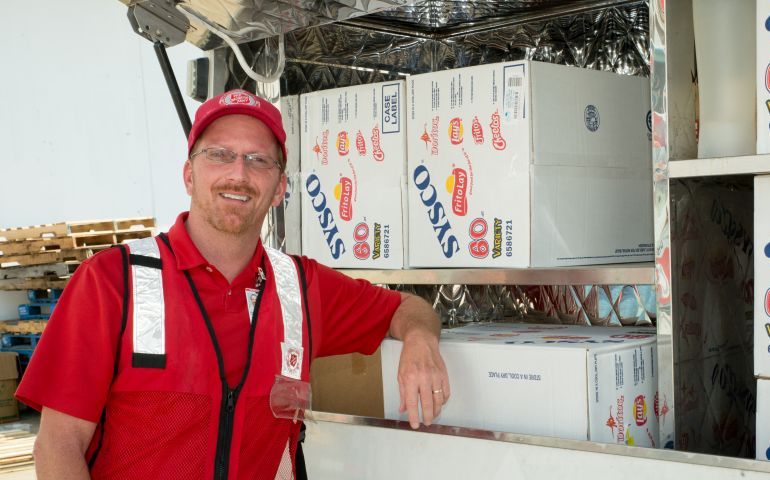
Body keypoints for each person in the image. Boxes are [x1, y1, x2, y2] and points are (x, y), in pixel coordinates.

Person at [16, 89, 450, 480]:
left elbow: (407, 308)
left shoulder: (302, 286)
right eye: (220, 155)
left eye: (258, 159)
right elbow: (58, 445)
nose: (238, 174)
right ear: (189, 174)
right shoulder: (112, 282)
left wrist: (419, 340)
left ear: (279, 188)